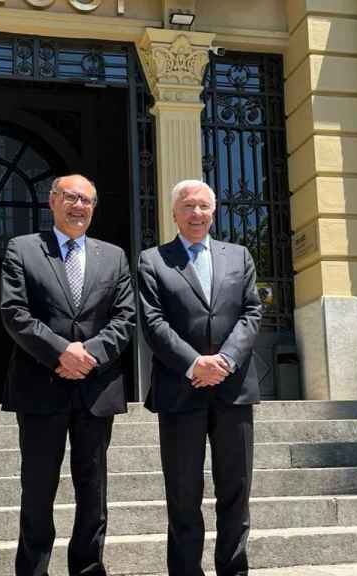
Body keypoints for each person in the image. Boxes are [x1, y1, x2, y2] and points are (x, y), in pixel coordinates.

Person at [0, 174, 136, 576]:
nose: (79, 207)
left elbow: (125, 318)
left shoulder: (113, 256)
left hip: (96, 388)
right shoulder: (23, 249)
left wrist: (89, 355)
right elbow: (14, 313)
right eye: (72, 198)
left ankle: (88, 567)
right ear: (53, 200)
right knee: (38, 489)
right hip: (41, 384)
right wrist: (61, 351)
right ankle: (33, 569)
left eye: (88, 201)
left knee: (93, 491)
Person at [137, 179, 263, 576]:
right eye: (188, 206)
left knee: (236, 491)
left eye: (204, 206)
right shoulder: (152, 260)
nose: (196, 214)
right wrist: (195, 364)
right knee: (183, 493)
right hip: (179, 391)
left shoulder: (239, 256)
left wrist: (224, 360)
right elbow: (153, 322)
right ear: (174, 213)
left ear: (214, 211)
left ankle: (233, 570)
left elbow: (251, 311)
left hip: (233, 390)